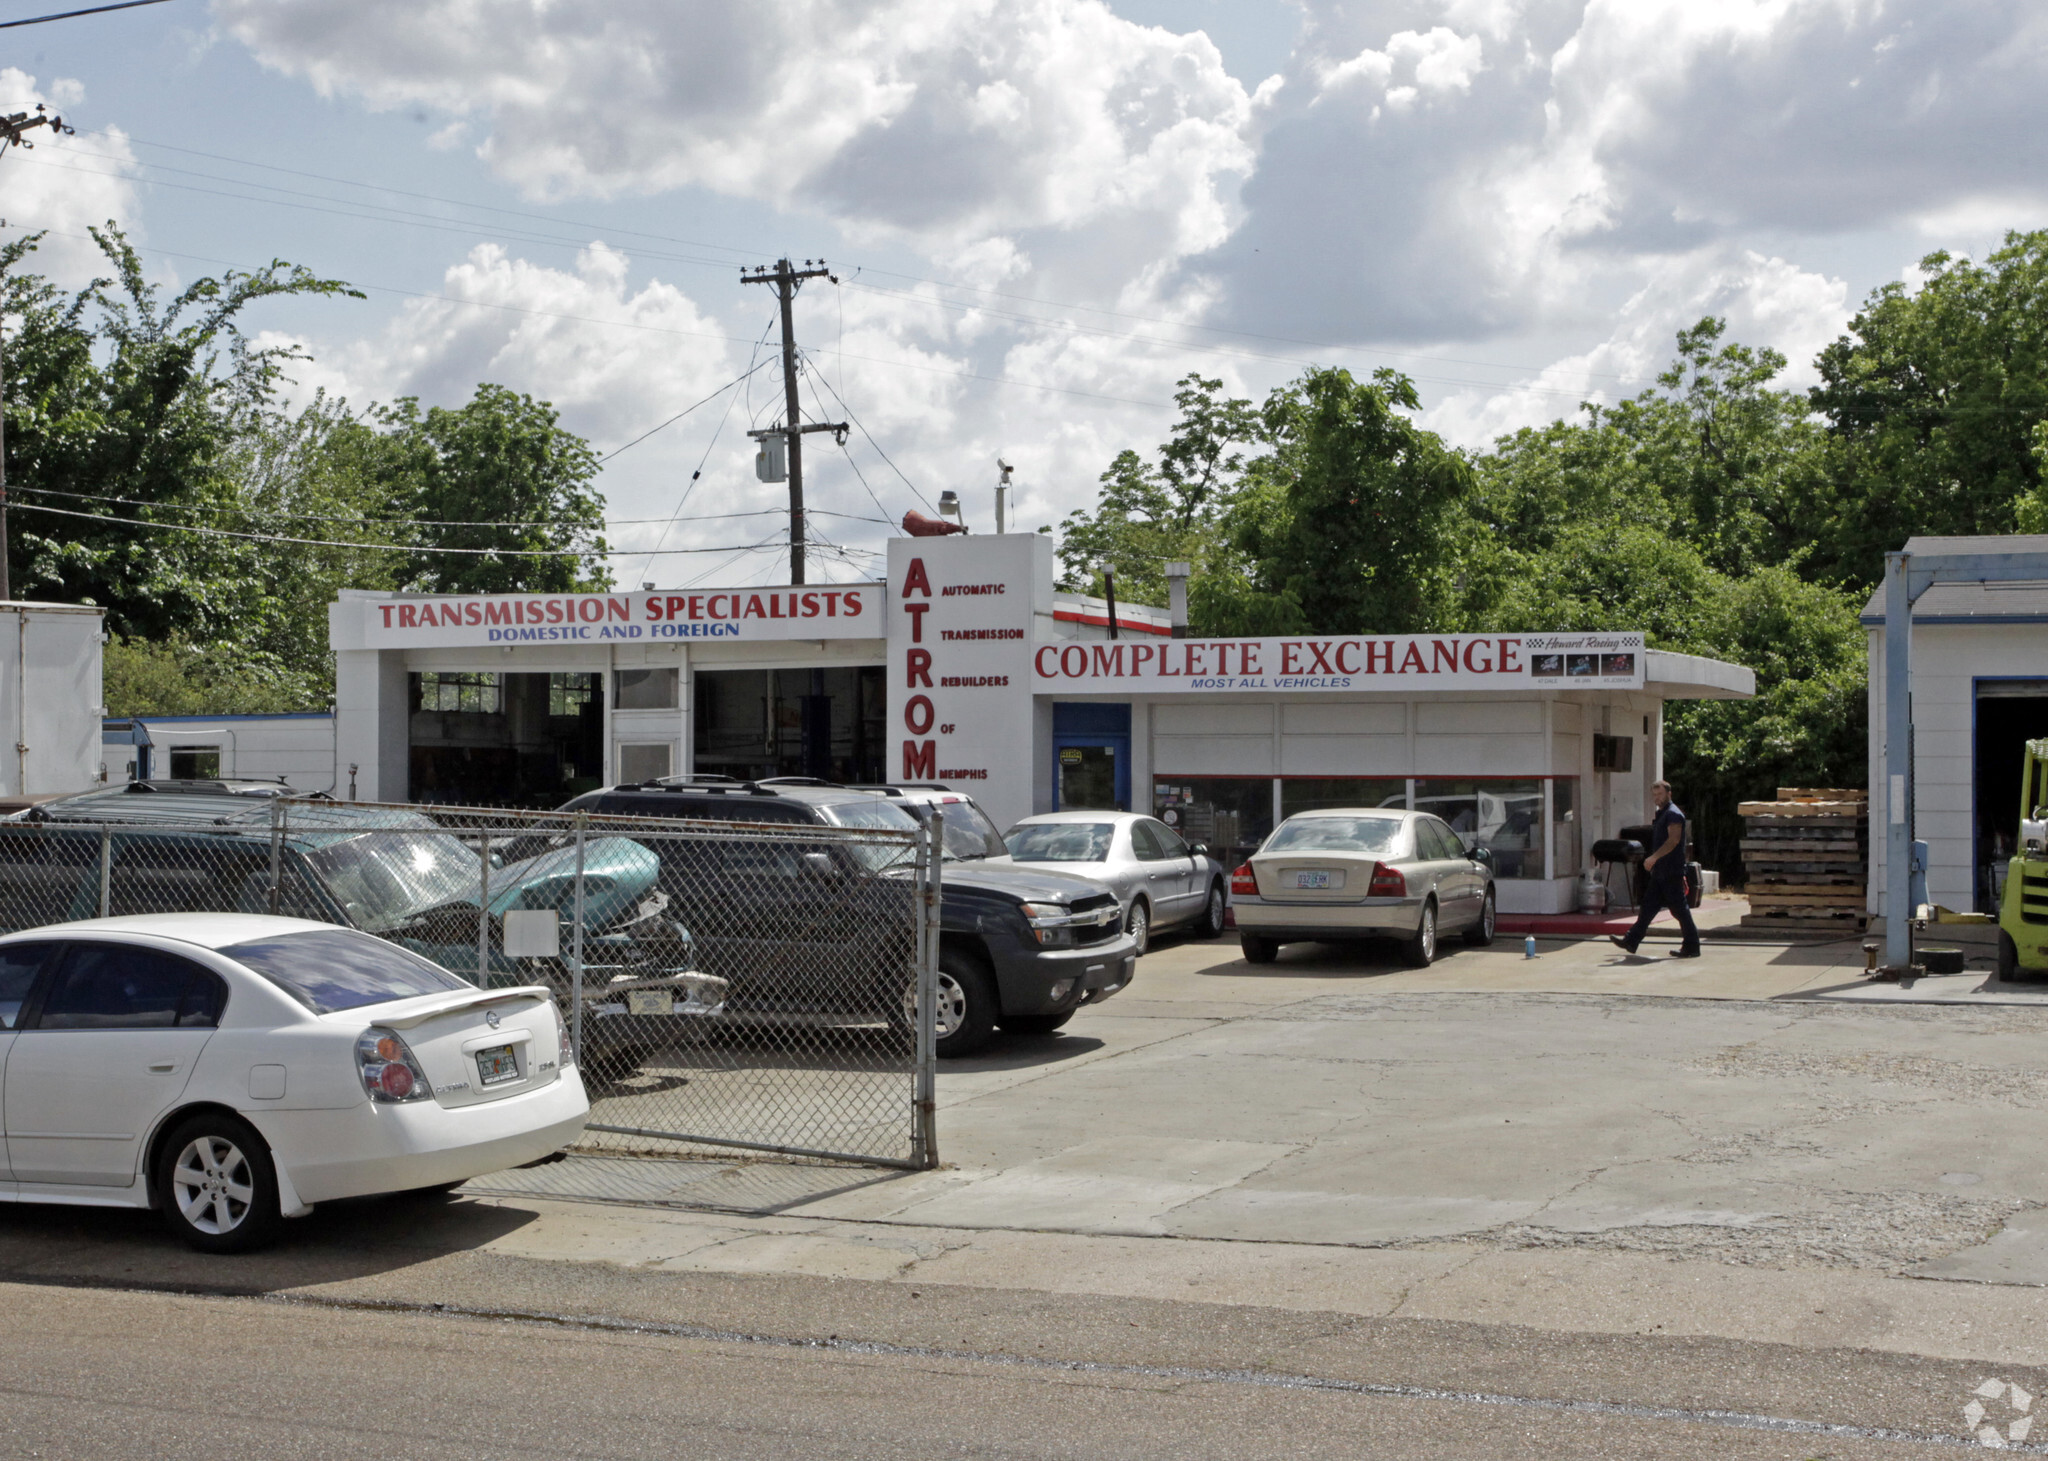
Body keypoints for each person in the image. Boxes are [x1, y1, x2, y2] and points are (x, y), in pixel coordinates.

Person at [1610, 780, 1701, 958]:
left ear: (1669, 794)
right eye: (1654, 795)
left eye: (1659, 794)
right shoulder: (1662, 814)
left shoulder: (1674, 814)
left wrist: (1653, 857)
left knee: (1679, 910)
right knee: (1649, 907)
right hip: (1661, 871)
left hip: (1671, 870)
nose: (1656, 798)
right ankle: (1631, 940)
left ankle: (1692, 946)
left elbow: (1673, 840)